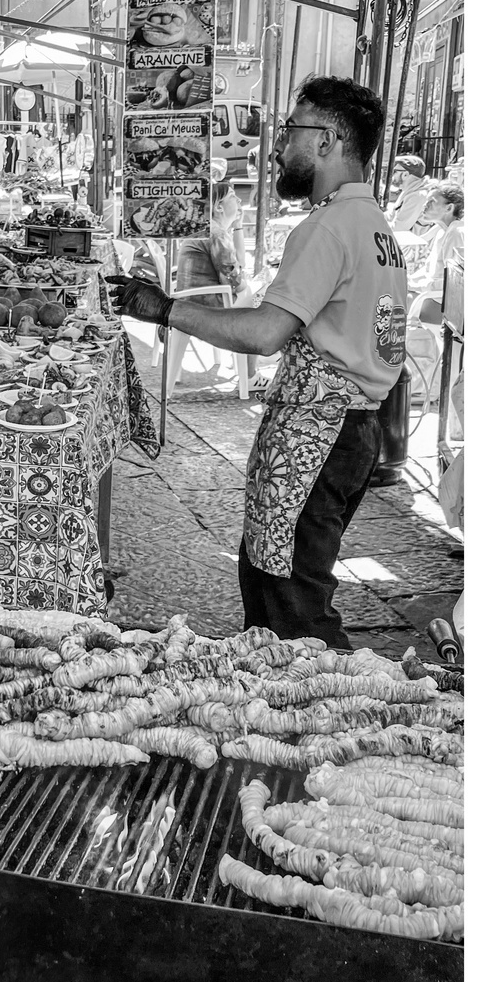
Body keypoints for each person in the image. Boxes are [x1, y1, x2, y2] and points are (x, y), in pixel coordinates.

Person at [108, 75, 408, 647]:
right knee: (277, 580)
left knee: (293, 604)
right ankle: (279, 705)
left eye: (290, 131)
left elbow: (267, 333)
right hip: (353, 429)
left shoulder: (328, 227)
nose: (275, 147)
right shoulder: (375, 225)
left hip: (320, 432)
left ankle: (348, 717)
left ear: (328, 141)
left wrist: (166, 309)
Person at [170, 182, 266, 394]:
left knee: (254, 294)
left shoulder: (212, 228)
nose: (239, 200)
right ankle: (251, 373)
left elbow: (238, 264)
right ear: (219, 207)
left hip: (194, 300)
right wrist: (252, 289)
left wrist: (238, 225)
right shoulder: (216, 234)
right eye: (233, 196)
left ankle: (250, 364)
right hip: (205, 304)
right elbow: (233, 279)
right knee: (260, 305)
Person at [407, 185, 464, 326]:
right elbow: (427, 270)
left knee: (398, 300)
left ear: (449, 208)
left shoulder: (456, 233)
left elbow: (453, 282)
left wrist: (418, 285)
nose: (425, 205)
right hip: (433, 295)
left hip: (445, 304)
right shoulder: (440, 233)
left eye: (431, 201)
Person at [385, 155, 429, 233]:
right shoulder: (408, 191)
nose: (392, 176)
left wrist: (374, 225)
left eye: (395, 172)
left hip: (412, 244)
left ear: (405, 174)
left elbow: (398, 229)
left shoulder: (417, 196)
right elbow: (391, 215)